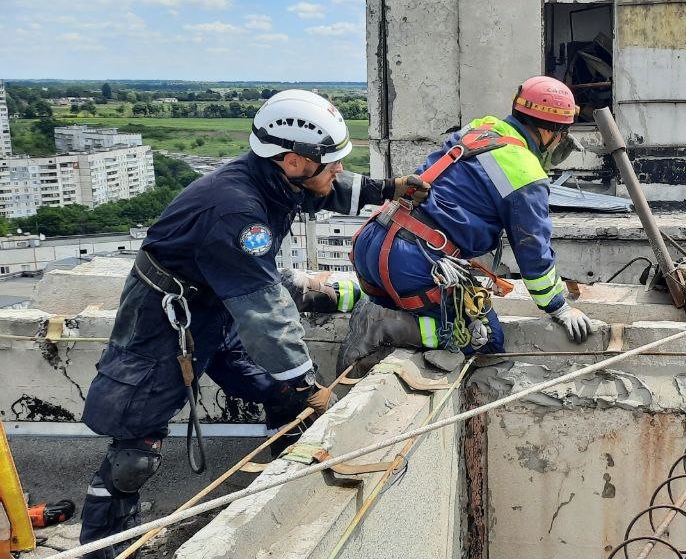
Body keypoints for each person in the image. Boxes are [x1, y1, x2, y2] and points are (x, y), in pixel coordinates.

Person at [78, 89, 418, 557]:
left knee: (278, 392)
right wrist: (305, 383)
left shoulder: (278, 179)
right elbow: (265, 314)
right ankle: (103, 547)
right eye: (331, 160)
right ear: (295, 161)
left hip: (218, 304)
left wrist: (391, 189)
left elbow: (330, 189)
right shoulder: (234, 209)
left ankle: (290, 484)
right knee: (134, 454)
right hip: (165, 319)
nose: (338, 167)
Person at [341, 76, 592, 366]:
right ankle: (385, 327)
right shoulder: (526, 172)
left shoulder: (481, 128)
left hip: (376, 237)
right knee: (486, 338)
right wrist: (559, 307)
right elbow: (533, 252)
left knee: (397, 299)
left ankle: (334, 296)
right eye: (562, 133)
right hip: (415, 262)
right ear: (550, 132)